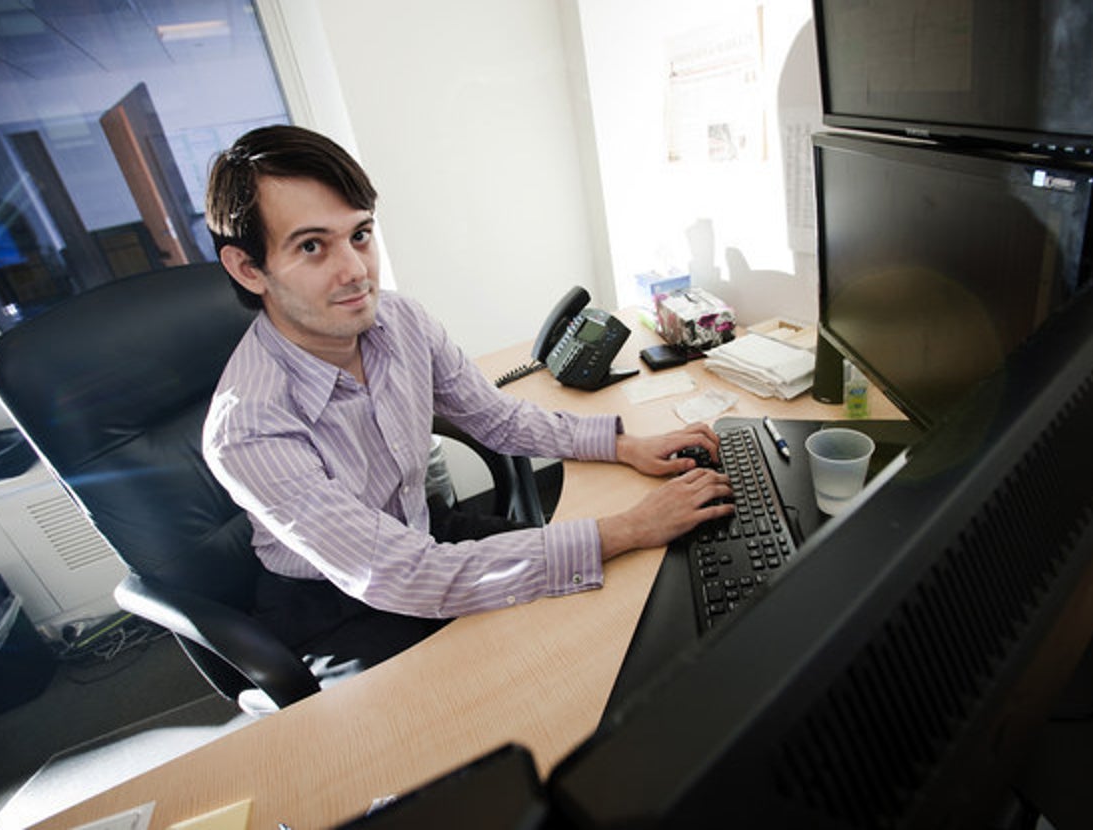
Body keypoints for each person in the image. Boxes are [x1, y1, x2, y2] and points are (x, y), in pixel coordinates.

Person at [202, 125, 733, 666]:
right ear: (249, 269)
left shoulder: (400, 320)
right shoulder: (246, 428)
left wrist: (624, 446)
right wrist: (630, 526)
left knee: (611, 608)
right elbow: (403, 574)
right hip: (333, 600)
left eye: (360, 235)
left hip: (424, 531)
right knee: (531, 672)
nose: (356, 272)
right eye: (312, 246)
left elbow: (495, 417)